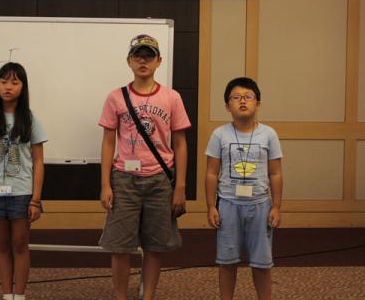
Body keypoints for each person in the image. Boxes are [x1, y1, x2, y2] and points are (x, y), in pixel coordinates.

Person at [98, 34, 191, 300]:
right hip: (124, 180)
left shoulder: (172, 98)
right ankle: (120, 297)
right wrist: (105, 184)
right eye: (137, 56)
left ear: (159, 61)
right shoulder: (116, 97)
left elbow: (180, 143)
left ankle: (147, 296)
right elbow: (108, 142)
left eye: (149, 56)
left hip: (160, 180)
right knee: (120, 246)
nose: (143, 61)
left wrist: (180, 187)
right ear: (128, 61)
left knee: (155, 246)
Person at [0, 62, 47, 300]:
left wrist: (36, 199)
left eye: (14, 82)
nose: (8, 87)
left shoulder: (31, 119)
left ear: (23, 87)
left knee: (20, 244)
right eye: (4, 81)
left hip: (22, 193)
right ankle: (7, 294)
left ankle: (19, 295)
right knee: (2, 245)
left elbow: (38, 162)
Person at [205, 77, 283, 300]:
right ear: (227, 105)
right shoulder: (220, 134)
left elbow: (276, 173)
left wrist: (276, 206)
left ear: (257, 103)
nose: (242, 101)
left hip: (260, 205)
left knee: (262, 263)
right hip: (228, 205)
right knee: (227, 262)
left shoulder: (269, 134)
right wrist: (211, 206)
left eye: (248, 97)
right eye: (236, 97)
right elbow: (211, 173)